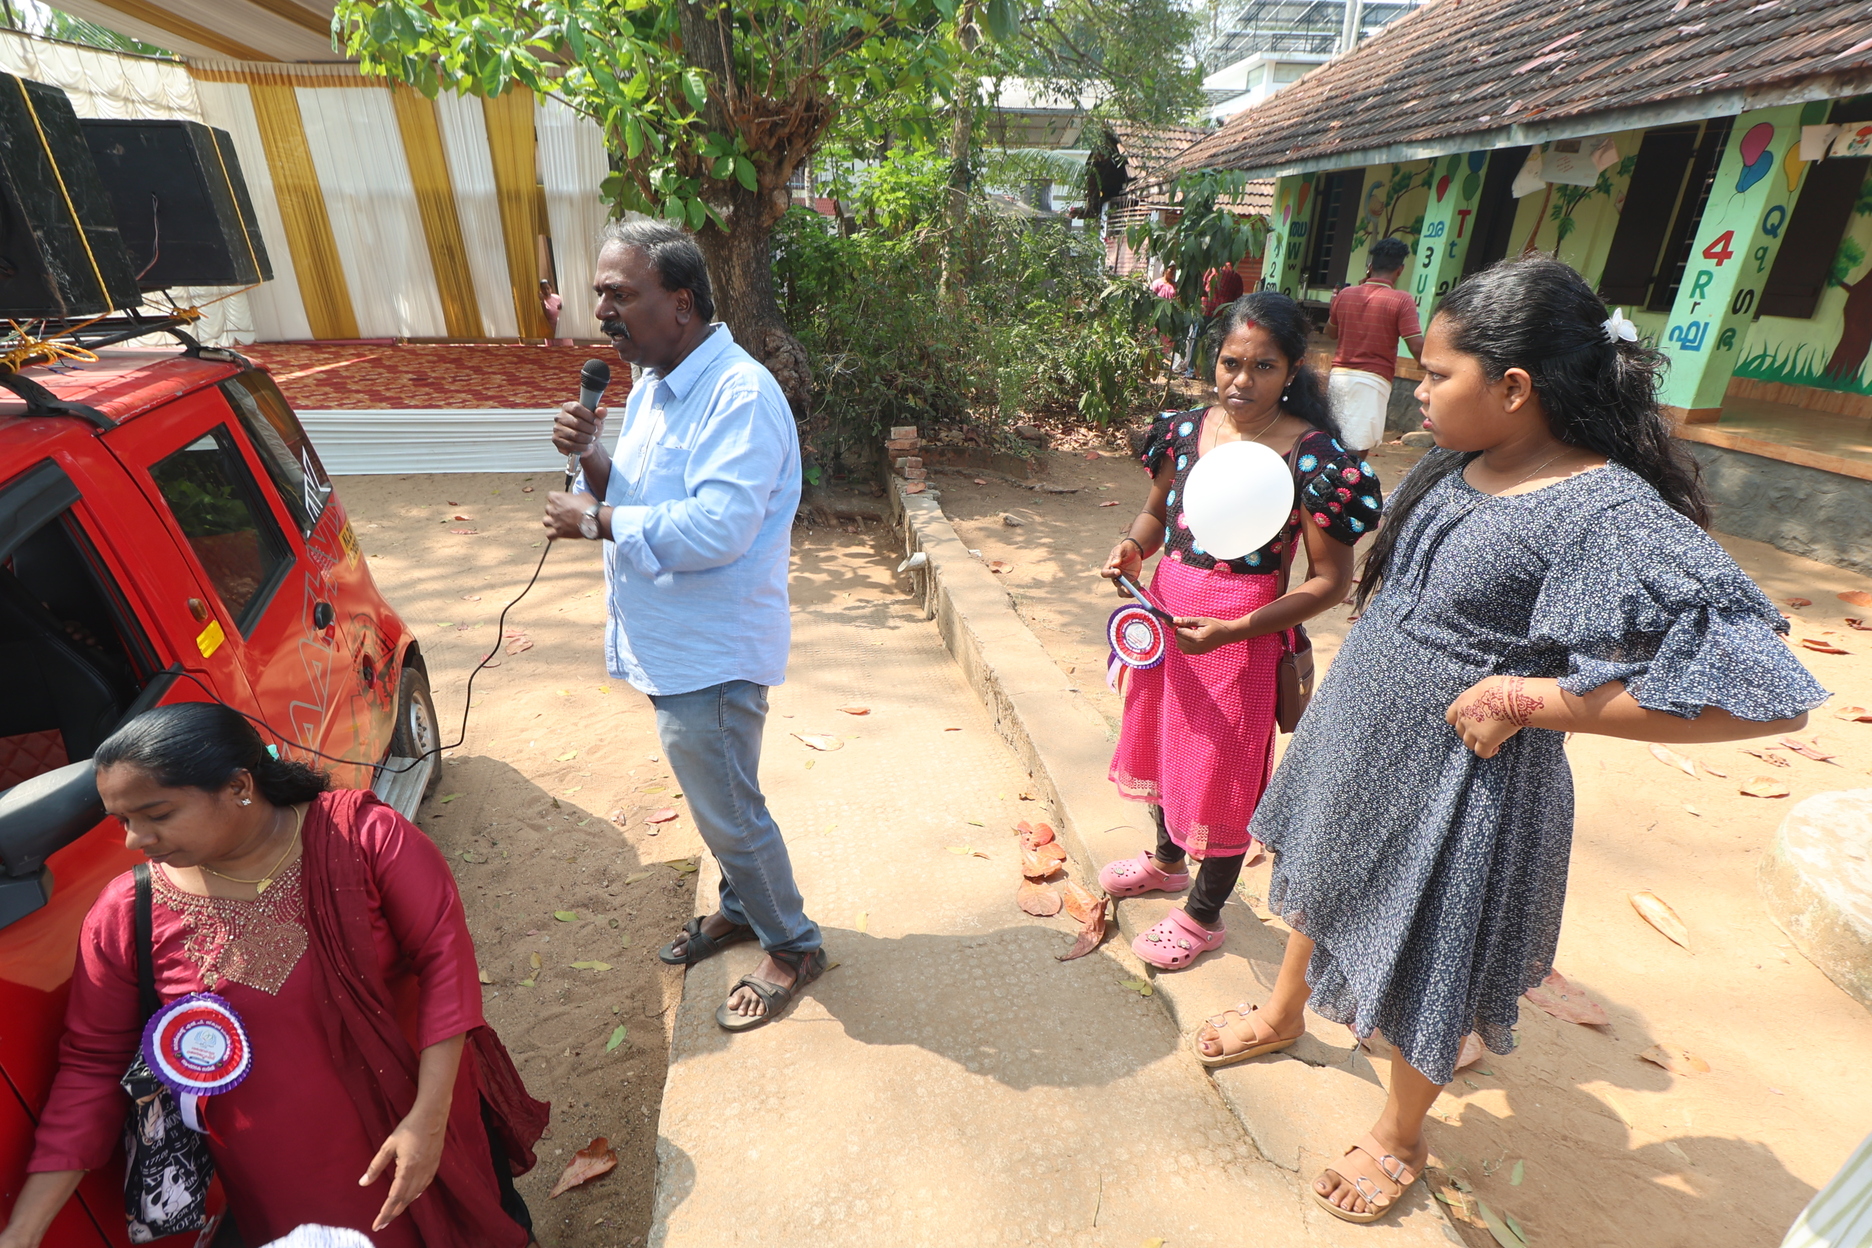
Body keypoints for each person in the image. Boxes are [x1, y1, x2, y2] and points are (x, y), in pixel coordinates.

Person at [1194, 256, 1828, 1225]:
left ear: (1515, 386)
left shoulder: (1605, 511)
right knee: (1323, 869)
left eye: (1437, 373)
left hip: (1464, 780)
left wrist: (1534, 697)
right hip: (1363, 732)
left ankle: (1400, 1132)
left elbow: (1767, 697)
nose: (1418, 390)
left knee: (1430, 951)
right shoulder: (1458, 459)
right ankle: (1284, 1013)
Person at [0, 703, 546, 1248]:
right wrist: (23, 1231)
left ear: (239, 785)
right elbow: (92, 1068)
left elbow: (445, 965)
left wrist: (429, 1119)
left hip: (423, 1120)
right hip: (283, 1184)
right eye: (123, 820)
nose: (134, 840)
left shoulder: (363, 838)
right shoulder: (126, 914)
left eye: (157, 814)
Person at [541, 219, 825, 1032]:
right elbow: (640, 494)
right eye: (599, 293)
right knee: (721, 797)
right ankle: (740, 905)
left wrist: (596, 520)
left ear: (682, 303)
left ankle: (793, 944)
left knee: (730, 809)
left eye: (619, 294)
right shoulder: (656, 383)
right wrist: (593, 457)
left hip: (714, 655)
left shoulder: (739, 396)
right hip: (675, 648)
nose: (602, 310)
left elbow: (717, 529)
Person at [1096, 292, 1383, 971]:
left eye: (1263, 366)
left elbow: (1329, 581)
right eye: (1230, 363)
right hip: (1167, 621)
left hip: (1243, 639)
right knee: (1162, 739)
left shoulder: (1314, 461)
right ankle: (1167, 862)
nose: (1241, 381)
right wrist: (1133, 547)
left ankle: (1203, 915)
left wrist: (1233, 630)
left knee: (1222, 768)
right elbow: (1156, 516)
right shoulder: (1184, 432)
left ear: (1293, 371)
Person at [1324, 236, 1424, 454]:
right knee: (1359, 448)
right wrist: (1436, 370)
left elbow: (1330, 332)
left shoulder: (1345, 295)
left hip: (1339, 376)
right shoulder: (1402, 300)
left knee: (1333, 441)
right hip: (1373, 380)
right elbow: (1416, 346)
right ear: (1400, 270)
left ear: (1370, 266)